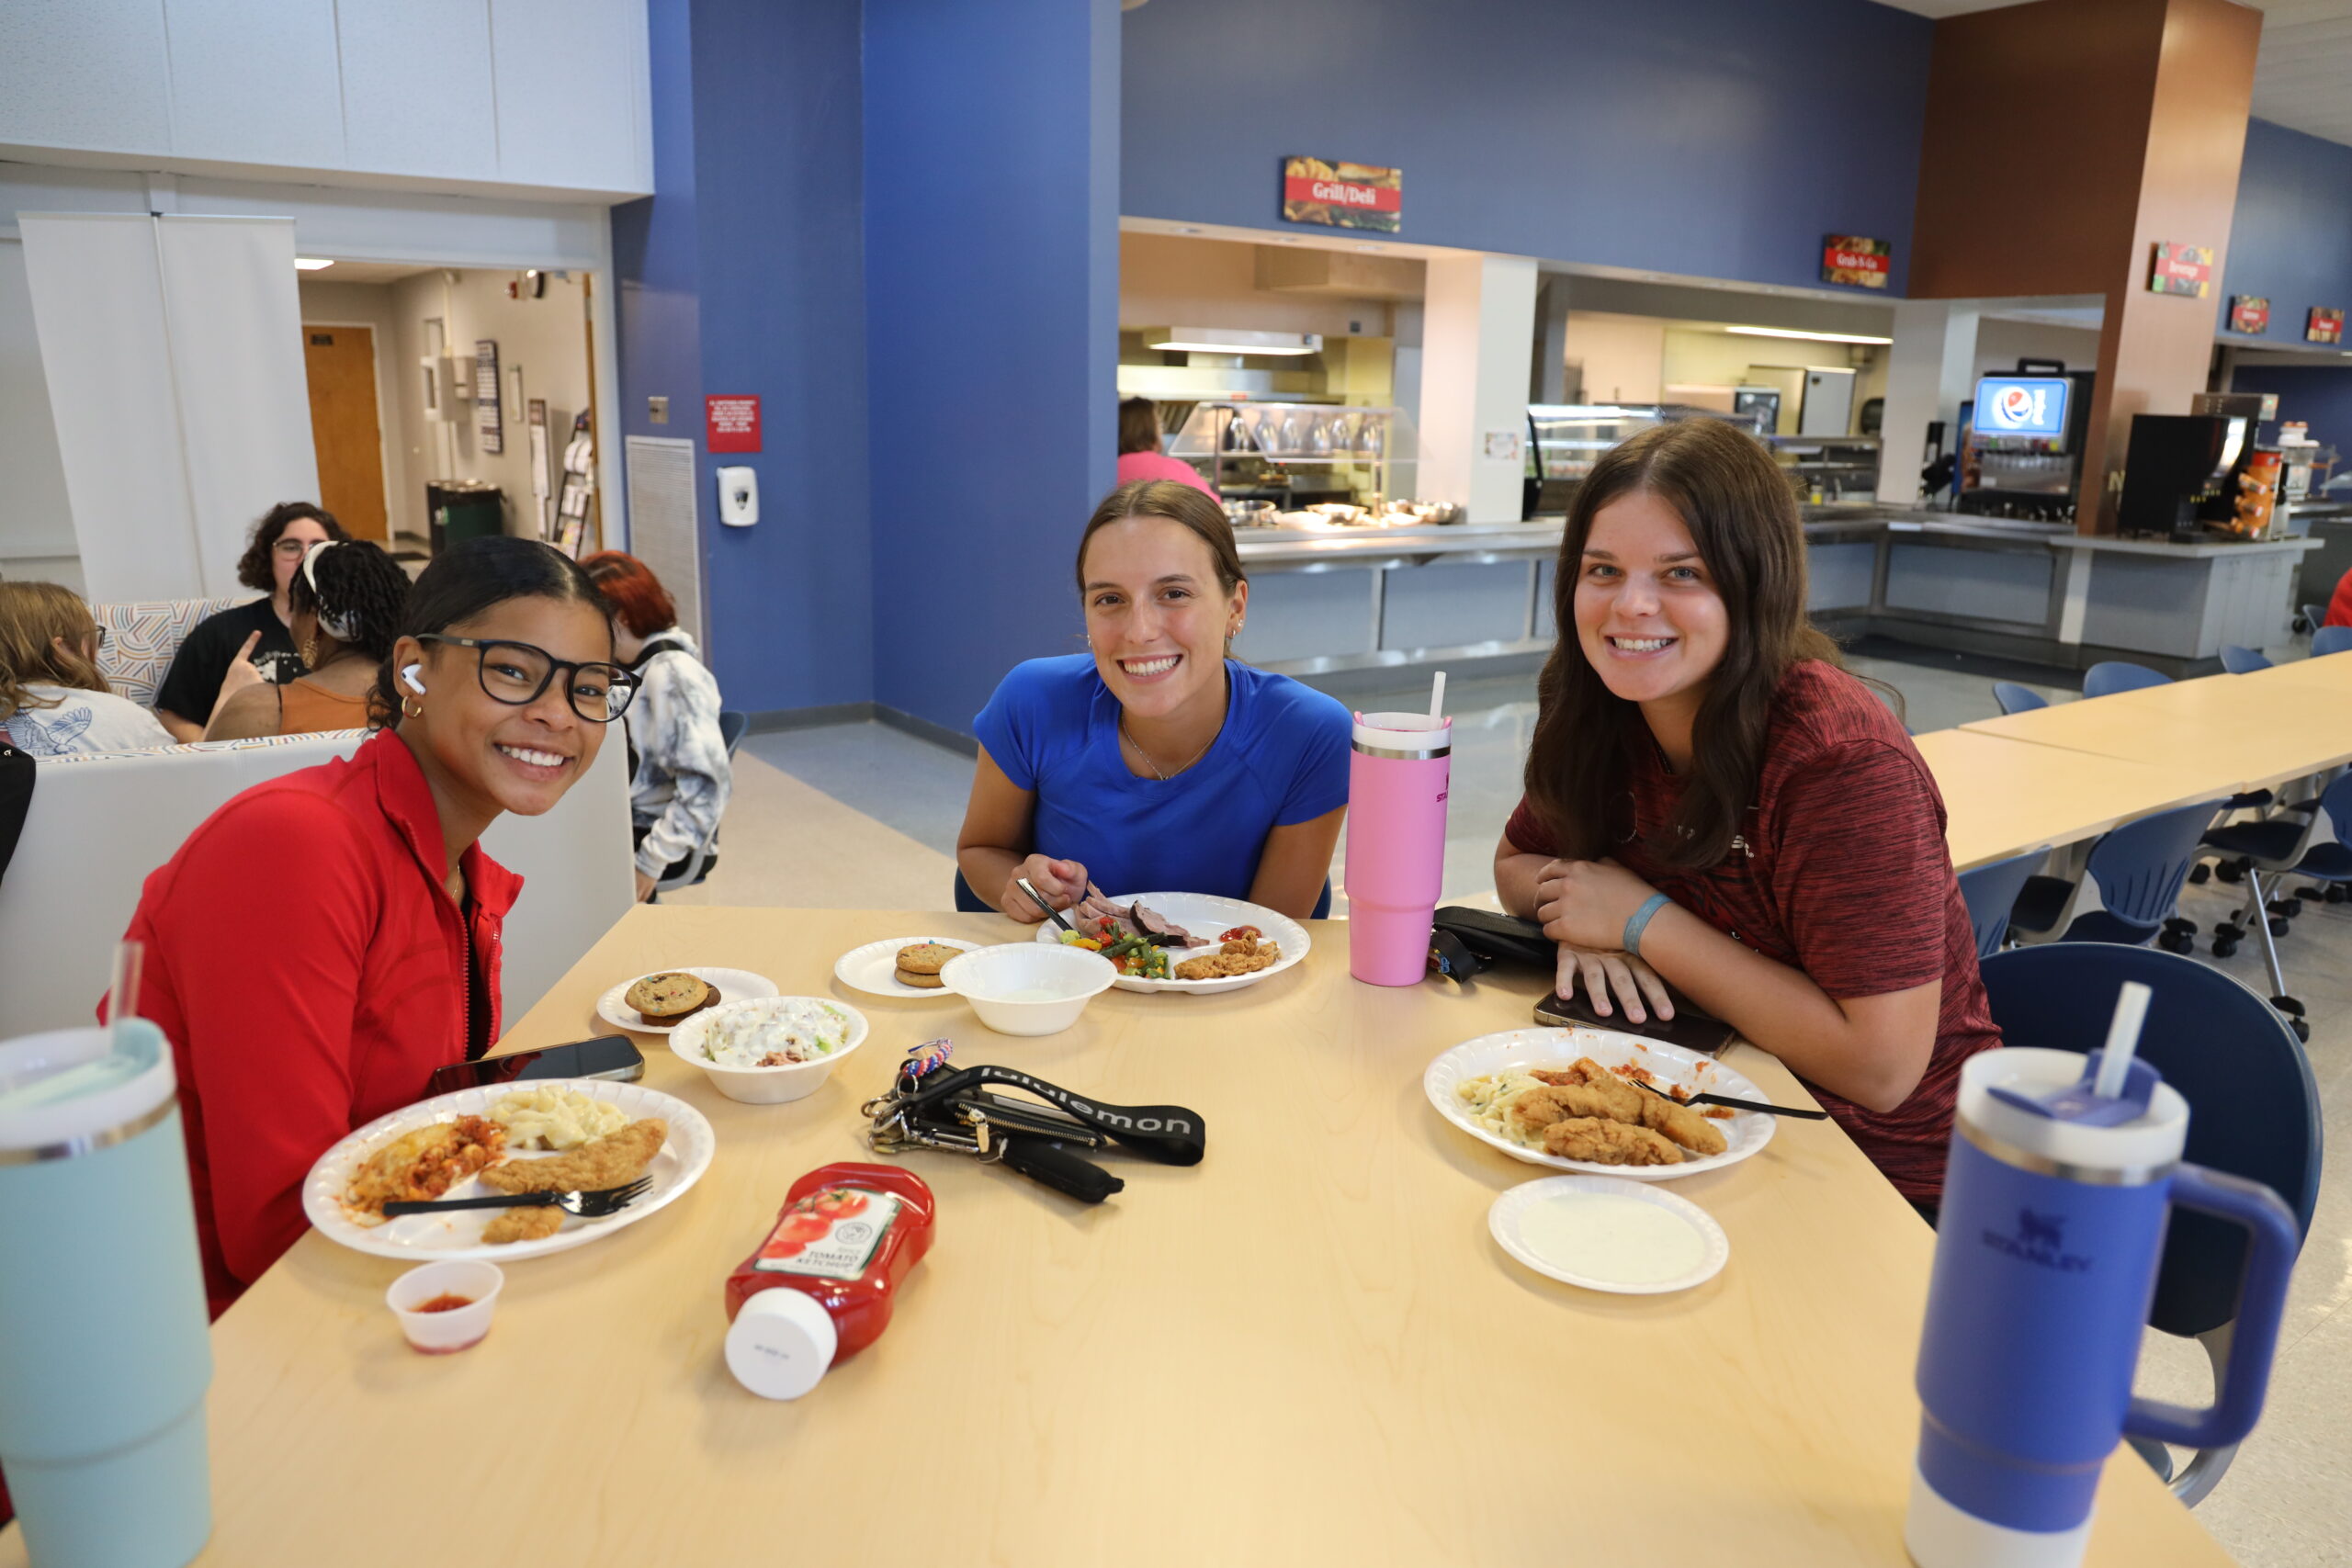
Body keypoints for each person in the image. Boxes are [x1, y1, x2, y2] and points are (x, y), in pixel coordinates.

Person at [109, 536, 636, 1314]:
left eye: (588, 688)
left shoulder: (457, 870)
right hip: (214, 1332)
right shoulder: (296, 847)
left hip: (372, 1270)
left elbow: (410, 1114)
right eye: (513, 671)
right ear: (412, 668)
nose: (557, 714)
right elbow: (277, 1230)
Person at [1489, 418, 1998, 1213]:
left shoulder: (1836, 760)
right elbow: (1517, 865)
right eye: (1603, 569)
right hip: (1696, 1119)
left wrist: (1641, 922)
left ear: (1753, 582)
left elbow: (1882, 1068)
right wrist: (1586, 909)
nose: (1631, 605)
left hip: (1881, 1184)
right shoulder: (1605, 703)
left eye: (1681, 572)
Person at [957, 479, 1350, 920]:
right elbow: (981, 849)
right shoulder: (1031, 701)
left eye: (1174, 593)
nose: (1139, 631)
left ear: (1235, 606)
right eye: (1110, 599)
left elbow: (1269, 938)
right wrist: (1024, 887)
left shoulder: (1308, 734)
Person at [581, 551, 732, 901]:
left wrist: (649, 862)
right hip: (627, 819)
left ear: (616, 617)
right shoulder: (634, 665)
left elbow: (707, 788)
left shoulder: (673, 676)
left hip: (650, 836)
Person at [153, 502, 349, 740]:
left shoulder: (354, 634)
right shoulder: (220, 632)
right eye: (290, 547)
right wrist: (216, 756)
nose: (305, 557)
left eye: (318, 547)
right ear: (268, 558)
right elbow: (174, 719)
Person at [203, 540, 411, 739]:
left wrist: (227, 695)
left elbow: (204, 771)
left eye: (294, 610)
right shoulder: (421, 702)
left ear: (315, 620)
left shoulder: (256, 709)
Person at [0, 581, 176, 756]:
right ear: (60, 649)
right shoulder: (129, 719)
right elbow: (177, 778)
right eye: (92, 638)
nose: (98, 650)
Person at [1114, 396, 1217, 499]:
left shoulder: (1111, 467)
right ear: (1148, 429)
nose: (1161, 431)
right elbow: (1212, 506)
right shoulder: (1174, 468)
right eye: (1159, 424)